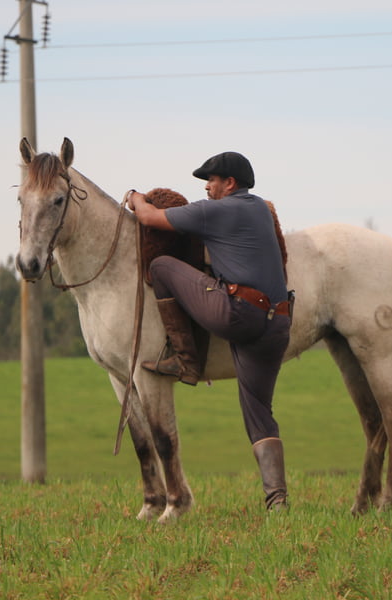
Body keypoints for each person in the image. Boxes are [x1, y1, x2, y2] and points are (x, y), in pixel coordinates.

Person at [128, 151, 292, 511]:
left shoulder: (216, 210)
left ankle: (183, 357)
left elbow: (149, 217)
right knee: (259, 411)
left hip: (238, 313)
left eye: (212, 180)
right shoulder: (262, 210)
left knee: (162, 265)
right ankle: (277, 501)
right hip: (278, 321)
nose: (206, 187)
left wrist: (134, 196)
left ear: (229, 184)